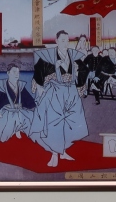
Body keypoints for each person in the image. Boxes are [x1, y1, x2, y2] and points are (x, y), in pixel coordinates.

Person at [29, 30, 89, 166]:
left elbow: (85, 69)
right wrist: (53, 67)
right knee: (54, 122)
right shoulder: (49, 55)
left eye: (67, 40)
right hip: (55, 91)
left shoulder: (73, 55)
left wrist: (78, 72)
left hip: (71, 91)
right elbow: (38, 71)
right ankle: (54, 154)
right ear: (56, 41)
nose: (65, 43)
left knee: (71, 121)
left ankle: (63, 151)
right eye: (62, 40)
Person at [0, 64, 36, 142]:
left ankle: (18, 129)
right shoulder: (0, 86)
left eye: (18, 72)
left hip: (19, 111)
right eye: (14, 72)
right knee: (2, 134)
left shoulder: (21, 86)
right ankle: (14, 129)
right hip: (5, 113)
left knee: (28, 117)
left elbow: (29, 101)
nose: (17, 74)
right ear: (8, 73)